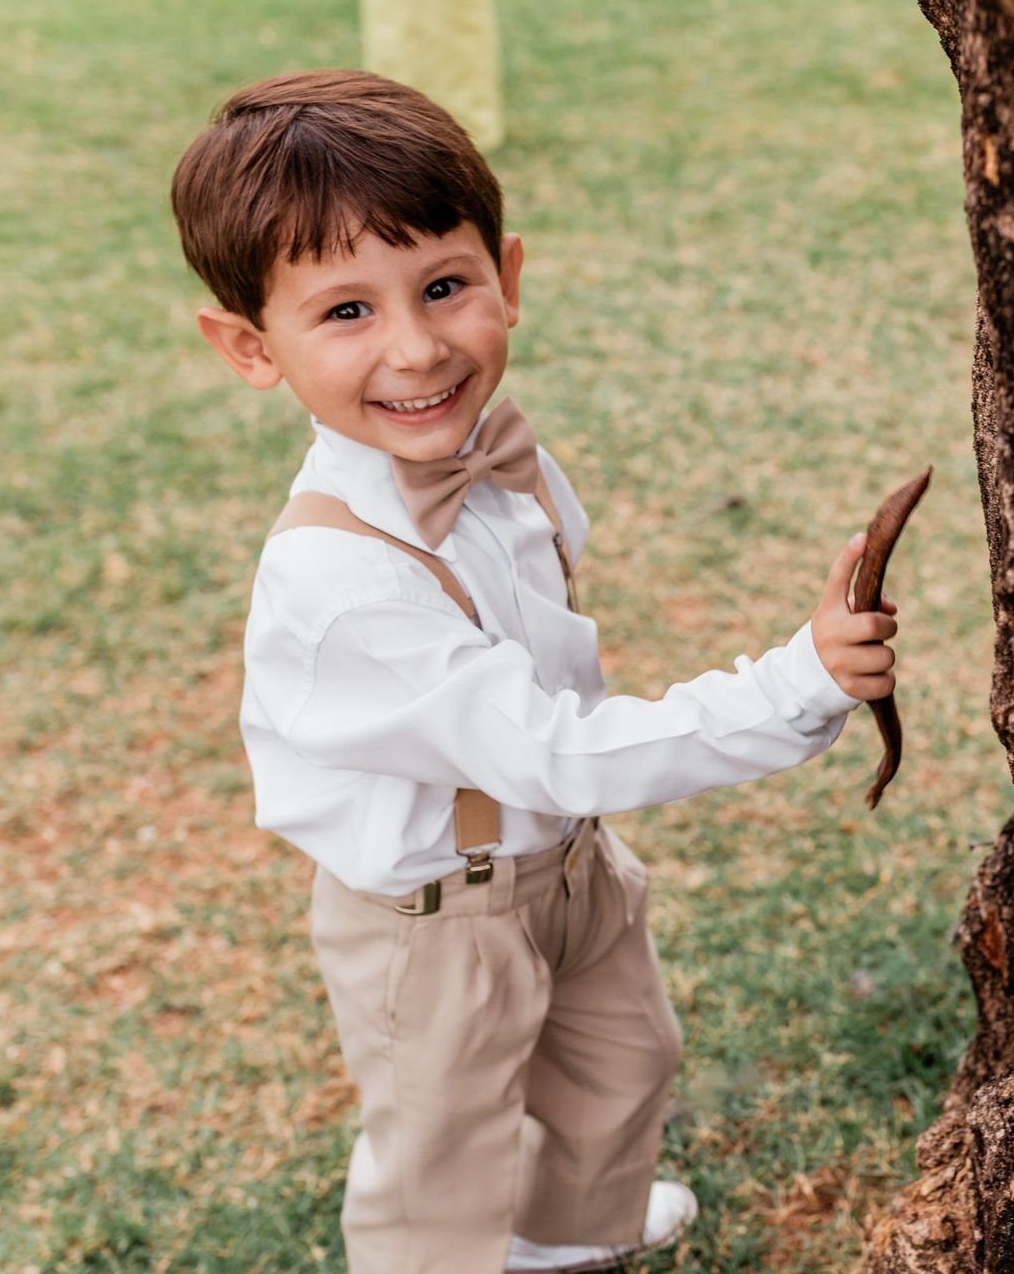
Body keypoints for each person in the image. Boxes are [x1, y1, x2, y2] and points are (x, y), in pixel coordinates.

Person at [169, 69, 900, 1273]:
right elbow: (550, 738)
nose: (416, 348)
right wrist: (794, 682)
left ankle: (564, 1237)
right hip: (433, 920)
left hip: (567, 861)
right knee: (439, 1151)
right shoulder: (342, 586)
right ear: (252, 348)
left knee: (623, 1061)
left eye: (444, 287)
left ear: (506, 277)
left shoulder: (501, 460)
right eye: (346, 312)